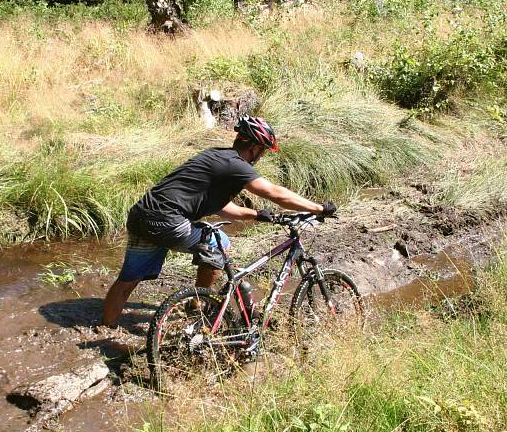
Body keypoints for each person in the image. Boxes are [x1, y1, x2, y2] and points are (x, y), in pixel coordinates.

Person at [101, 116, 336, 328]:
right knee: (218, 240)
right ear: (254, 148)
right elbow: (274, 192)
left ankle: (105, 326)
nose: (261, 156)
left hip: (142, 215)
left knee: (128, 280)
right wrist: (318, 208)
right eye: (262, 151)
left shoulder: (216, 157)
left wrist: (256, 215)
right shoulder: (236, 164)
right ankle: (198, 304)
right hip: (168, 220)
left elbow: (222, 208)